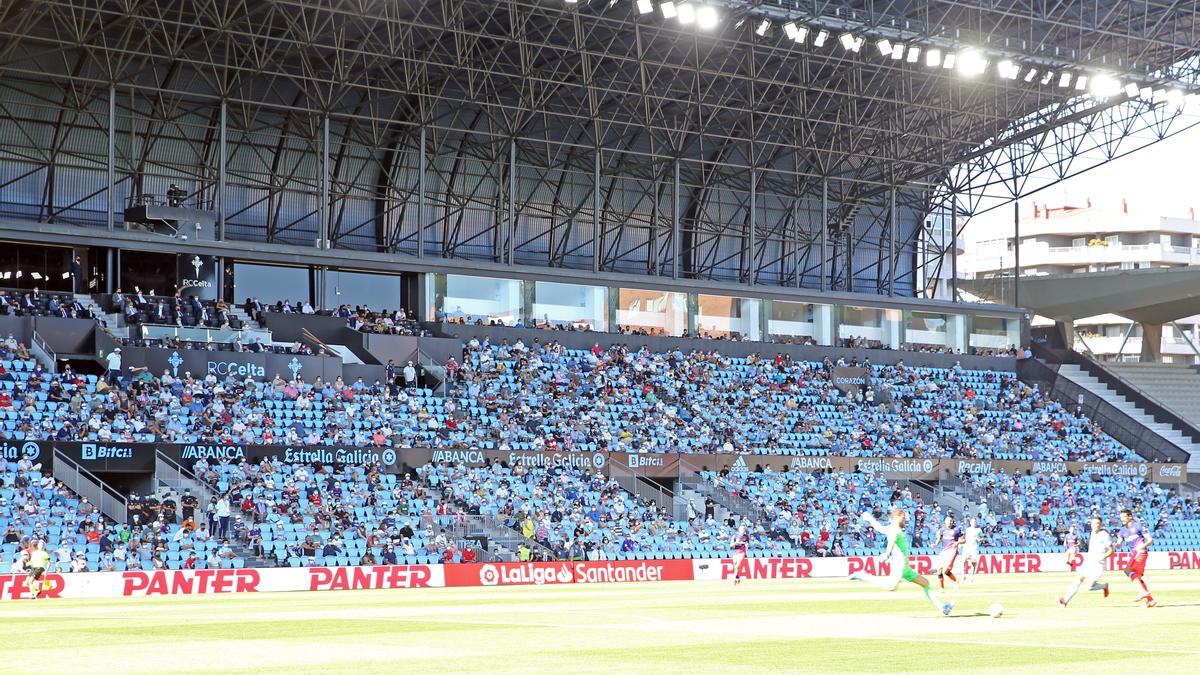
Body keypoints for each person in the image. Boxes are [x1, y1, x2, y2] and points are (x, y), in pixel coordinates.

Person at [849, 507, 953, 616]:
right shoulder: (894, 530)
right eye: (902, 517)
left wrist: (870, 519)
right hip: (900, 565)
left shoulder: (892, 528)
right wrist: (887, 553)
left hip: (905, 567)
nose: (904, 519)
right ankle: (863, 576)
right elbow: (891, 541)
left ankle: (942, 607)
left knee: (925, 583)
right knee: (891, 587)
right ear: (896, 518)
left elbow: (879, 527)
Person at [1058, 516, 1111, 607]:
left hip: (1099, 564)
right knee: (1077, 581)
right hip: (1089, 561)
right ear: (1091, 525)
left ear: (1101, 525)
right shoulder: (1092, 533)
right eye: (1093, 524)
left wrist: (1102, 557)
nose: (1095, 525)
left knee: (1089, 587)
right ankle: (1064, 601)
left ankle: (1104, 586)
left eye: (1097, 523)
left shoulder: (1104, 535)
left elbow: (1111, 550)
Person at [1116, 509, 1156, 607]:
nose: (1122, 519)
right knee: (1136, 576)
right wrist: (1115, 544)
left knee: (1127, 570)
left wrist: (1143, 545)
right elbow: (1118, 544)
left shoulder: (1138, 526)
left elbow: (1150, 540)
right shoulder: (1122, 530)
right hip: (1134, 553)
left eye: (1124, 517)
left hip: (1140, 552)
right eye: (1121, 517)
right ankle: (1150, 600)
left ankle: (1143, 592)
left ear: (1130, 516)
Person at [934, 514, 963, 591]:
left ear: (953, 521)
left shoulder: (957, 529)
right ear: (945, 521)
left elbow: (963, 540)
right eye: (947, 520)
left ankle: (956, 581)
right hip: (944, 550)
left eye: (951, 520)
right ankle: (941, 588)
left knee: (946, 570)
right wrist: (936, 544)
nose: (949, 522)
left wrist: (957, 543)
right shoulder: (942, 529)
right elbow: (939, 538)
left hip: (953, 551)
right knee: (939, 569)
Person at [962, 517, 982, 584]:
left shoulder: (979, 530)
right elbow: (964, 537)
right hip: (967, 547)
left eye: (975, 522)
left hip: (974, 548)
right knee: (964, 560)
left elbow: (982, 538)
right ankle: (963, 575)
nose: (974, 523)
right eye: (973, 522)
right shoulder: (967, 530)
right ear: (970, 522)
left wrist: (979, 539)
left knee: (973, 563)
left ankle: (971, 577)